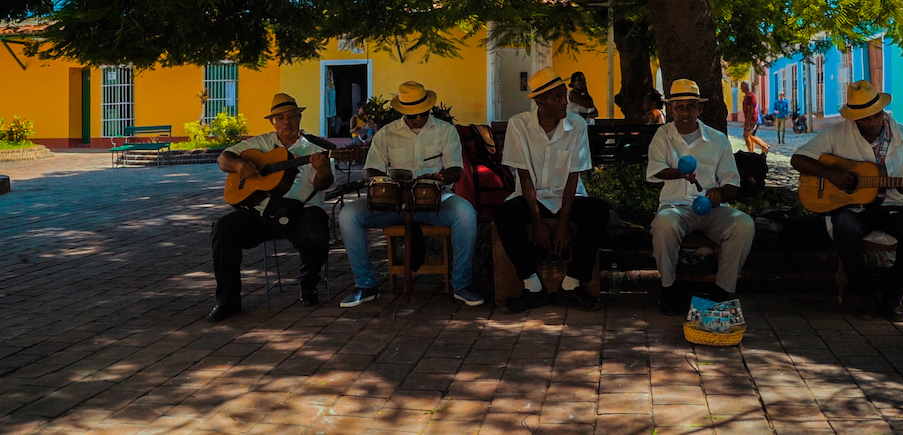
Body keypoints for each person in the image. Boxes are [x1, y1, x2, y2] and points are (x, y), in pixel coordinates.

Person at [338, 81, 484, 307]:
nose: (418, 119)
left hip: (435, 201)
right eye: (412, 115)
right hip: (393, 204)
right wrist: (388, 182)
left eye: (422, 113)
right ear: (404, 112)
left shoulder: (446, 131)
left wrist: (442, 177)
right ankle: (366, 284)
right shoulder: (386, 133)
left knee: (465, 214)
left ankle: (462, 285)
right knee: (349, 214)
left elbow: (456, 169)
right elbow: (371, 169)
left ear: (429, 108)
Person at [791, 80, 903, 322]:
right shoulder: (836, 134)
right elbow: (798, 159)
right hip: (851, 208)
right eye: (864, 119)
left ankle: (893, 297)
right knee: (843, 228)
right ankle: (866, 297)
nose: (872, 123)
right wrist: (831, 174)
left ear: (882, 111)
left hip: (892, 206)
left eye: (876, 115)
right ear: (854, 118)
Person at [494, 67, 610, 312]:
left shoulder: (576, 125)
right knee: (504, 214)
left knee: (598, 211)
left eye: (564, 96)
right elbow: (524, 177)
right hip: (530, 198)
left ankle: (571, 284)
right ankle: (532, 286)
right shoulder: (519, 125)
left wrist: (563, 222)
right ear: (539, 101)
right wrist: (537, 221)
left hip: (567, 197)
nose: (565, 102)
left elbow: (572, 177)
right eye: (557, 98)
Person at [209, 93, 335, 321]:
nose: (286, 121)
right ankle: (227, 301)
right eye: (280, 117)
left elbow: (322, 184)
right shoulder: (261, 143)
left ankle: (308, 282)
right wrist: (238, 164)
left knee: (316, 232)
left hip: (302, 212)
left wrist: (324, 169)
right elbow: (223, 159)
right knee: (223, 228)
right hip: (262, 212)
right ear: (272, 122)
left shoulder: (316, 148)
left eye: (291, 116)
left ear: (300, 117)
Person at [647, 79, 755, 315]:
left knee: (744, 224)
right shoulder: (662, 136)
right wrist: (680, 173)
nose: (684, 112)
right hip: (674, 207)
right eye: (679, 106)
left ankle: (722, 290)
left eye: (690, 106)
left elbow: (732, 185)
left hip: (712, 211)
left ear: (700, 109)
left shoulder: (718, 140)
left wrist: (719, 193)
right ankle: (669, 288)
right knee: (664, 225)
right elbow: (655, 171)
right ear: (671, 110)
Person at [741, 81, 770, 154]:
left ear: (746, 87)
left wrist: (747, 122)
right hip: (752, 118)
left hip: (752, 119)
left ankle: (764, 146)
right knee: (749, 135)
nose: (741, 88)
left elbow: (750, 109)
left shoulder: (749, 96)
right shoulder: (750, 95)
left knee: (746, 135)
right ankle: (751, 152)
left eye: (742, 86)